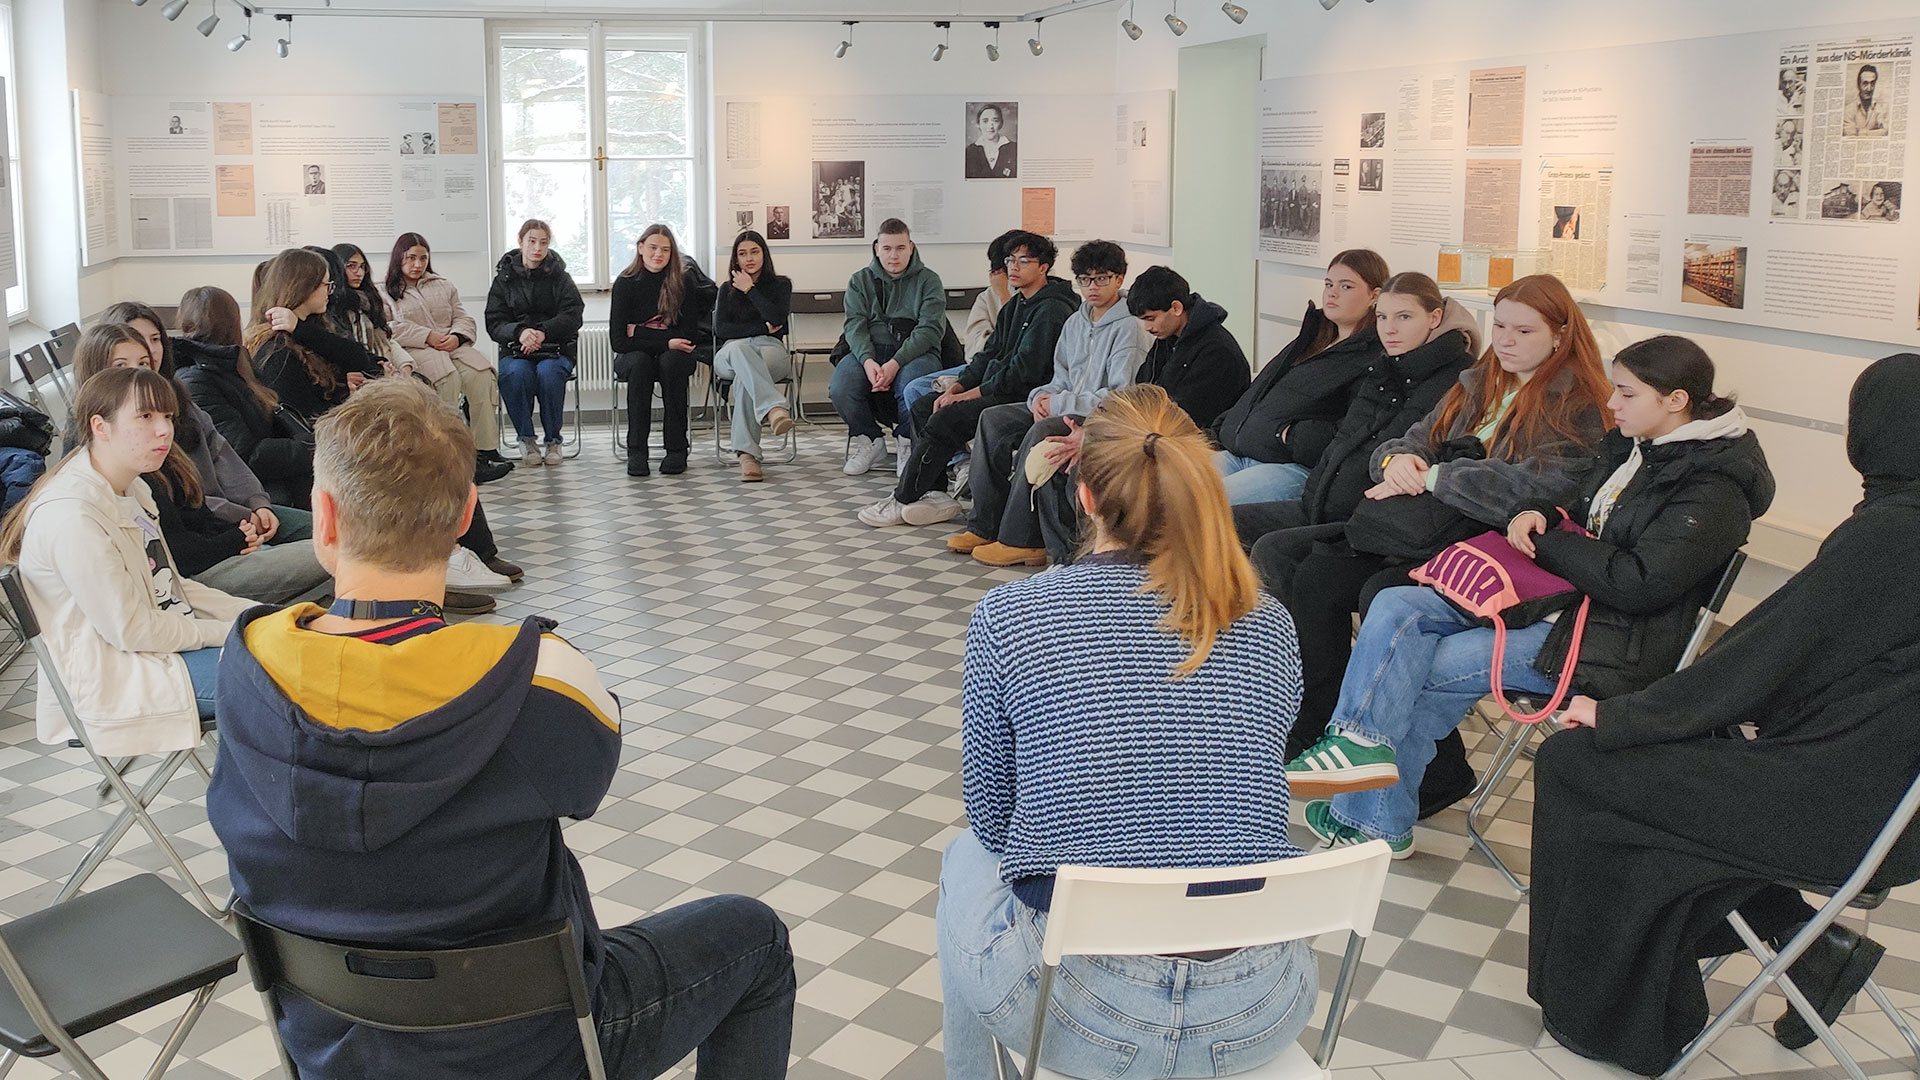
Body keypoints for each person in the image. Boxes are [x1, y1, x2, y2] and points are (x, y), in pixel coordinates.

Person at [207, 378, 796, 1080]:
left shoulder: (245, 666)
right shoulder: (537, 676)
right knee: (754, 936)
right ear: (465, 514)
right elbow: (586, 781)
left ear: (325, 519)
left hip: (336, 1046)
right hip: (530, 1050)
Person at [1528, 353, 1920, 1075]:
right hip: (1885, 806)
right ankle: (1811, 948)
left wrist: (1621, 718)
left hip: (1832, 805)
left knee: (1577, 765)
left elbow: (1760, 658)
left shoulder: (1893, 533)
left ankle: (1606, 1016)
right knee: (1662, 772)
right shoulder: (1898, 524)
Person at [938, 384, 1317, 1080]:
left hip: (1082, 1007)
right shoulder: (1268, 621)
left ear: (1083, 494)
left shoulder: (1013, 616)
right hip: (1261, 1002)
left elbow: (995, 821)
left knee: (964, 856)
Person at [1285, 335, 1772, 866]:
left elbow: (1638, 584)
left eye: (1627, 395)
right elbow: (1573, 496)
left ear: (1675, 401)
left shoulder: (1713, 488)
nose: (1611, 405)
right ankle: (1358, 742)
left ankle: (1376, 820)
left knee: (1426, 664)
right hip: (1554, 602)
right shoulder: (1638, 449)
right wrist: (1536, 510)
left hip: (1609, 641)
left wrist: (1551, 540)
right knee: (1399, 604)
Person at [1260, 274, 1611, 764]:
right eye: (1502, 326)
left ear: (1560, 334)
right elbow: (1409, 439)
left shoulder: (1578, 404)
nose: (1506, 340)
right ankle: (1322, 718)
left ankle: (1426, 762)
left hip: (1489, 549)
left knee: (1374, 590)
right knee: (1297, 561)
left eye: (1524, 331)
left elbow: (1541, 486)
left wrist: (1436, 478)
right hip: (1420, 526)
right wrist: (1396, 462)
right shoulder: (1480, 381)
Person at [179, 286, 510, 615]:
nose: (328, 289)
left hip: (277, 484)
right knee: (373, 518)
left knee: (429, 449)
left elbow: (350, 363)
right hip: (286, 479)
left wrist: (339, 390)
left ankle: (442, 574)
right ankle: (429, 582)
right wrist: (319, 446)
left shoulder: (245, 362)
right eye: (323, 283)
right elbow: (249, 454)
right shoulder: (249, 361)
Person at [2, 366, 250, 753]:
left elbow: (172, 586)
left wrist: (255, 614)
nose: (164, 430)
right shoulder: (72, 515)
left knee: (290, 648)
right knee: (288, 677)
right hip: (118, 677)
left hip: (154, 651)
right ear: (100, 426)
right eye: (145, 416)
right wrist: (236, 630)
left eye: (167, 416)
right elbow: (132, 630)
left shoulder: (131, 486)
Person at [73, 324, 331, 606]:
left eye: (144, 360)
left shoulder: (167, 423)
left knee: (337, 534)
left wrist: (256, 505)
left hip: (223, 536)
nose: (163, 429)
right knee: (339, 550)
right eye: (121, 365)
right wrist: (237, 536)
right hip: (205, 563)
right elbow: (173, 566)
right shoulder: (117, 468)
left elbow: (219, 470)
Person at [1025, 265, 1253, 564]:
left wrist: (1104, 440)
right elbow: (1138, 396)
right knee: (1060, 461)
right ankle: (1063, 560)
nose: (1147, 328)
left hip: (1184, 445)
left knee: (1086, 473)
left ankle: (1090, 560)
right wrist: (1097, 431)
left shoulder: (1215, 352)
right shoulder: (1167, 341)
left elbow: (1181, 421)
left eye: (1151, 319)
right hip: (1150, 434)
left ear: (1176, 308)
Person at [946, 239, 1145, 566]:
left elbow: (1118, 393)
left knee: (1042, 432)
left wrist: (1055, 403)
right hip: (1060, 405)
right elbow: (1059, 376)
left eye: (1101, 279)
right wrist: (1041, 397)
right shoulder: (1075, 322)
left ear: (1120, 279)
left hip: (1098, 417)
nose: (1091, 287)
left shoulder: (1129, 327)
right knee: (993, 420)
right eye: (1084, 279)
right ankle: (984, 525)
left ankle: (1019, 538)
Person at [858, 231, 1074, 528]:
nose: (1013, 267)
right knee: (923, 406)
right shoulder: (1016, 304)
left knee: (947, 415)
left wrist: (965, 396)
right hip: (1000, 386)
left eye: (1024, 261)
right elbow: (987, 356)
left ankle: (903, 497)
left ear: (1044, 267)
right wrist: (959, 385)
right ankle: (935, 495)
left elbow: (1024, 372)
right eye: (1010, 260)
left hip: (1027, 395)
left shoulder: (1051, 309)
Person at [105, 301, 313, 547]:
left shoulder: (179, 394)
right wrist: (243, 519)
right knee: (324, 552)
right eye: (139, 341)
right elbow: (186, 500)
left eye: (155, 339)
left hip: (237, 514)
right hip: (210, 529)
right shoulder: (124, 425)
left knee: (325, 531)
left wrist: (257, 503)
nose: (151, 351)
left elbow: (222, 453)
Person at [1211, 250, 1389, 506]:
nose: (1332, 293)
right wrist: (1225, 426)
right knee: (1164, 486)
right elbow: (1260, 391)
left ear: (1375, 295)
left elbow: (1351, 430)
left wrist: (1290, 435)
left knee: (1205, 505)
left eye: (1346, 286)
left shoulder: (1372, 357)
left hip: (1291, 466)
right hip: (1240, 451)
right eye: (1328, 284)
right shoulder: (1312, 339)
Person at [380, 231, 510, 483]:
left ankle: (483, 452)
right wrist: (426, 335)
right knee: (448, 380)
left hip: (451, 347)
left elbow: (463, 317)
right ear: (399, 258)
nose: (418, 264)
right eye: (411, 258)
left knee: (481, 375)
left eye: (423, 258)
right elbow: (388, 328)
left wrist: (457, 336)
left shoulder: (443, 285)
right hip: (417, 350)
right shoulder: (384, 291)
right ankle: (449, 455)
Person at [830, 219, 951, 475]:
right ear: (877, 249)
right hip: (871, 350)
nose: (893, 255)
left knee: (912, 385)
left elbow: (929, 329)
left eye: (899, 248)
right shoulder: (859, 280)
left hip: (915, 352)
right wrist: (867, 361)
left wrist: (895, 363)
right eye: (887, 248)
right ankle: (870, 440)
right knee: (841, 386)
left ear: (911, 247)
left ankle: (907, 442)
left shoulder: (929, 280)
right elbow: (854, 326)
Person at [176, 286, 314, 509]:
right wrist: (311, 451)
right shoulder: (197, 380)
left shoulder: (234, 363)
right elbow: (246, 455)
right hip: (257, 496)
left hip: (277, 482)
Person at [609, 224, 717, 477]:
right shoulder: (625, 283)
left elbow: (689, 334)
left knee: (672, 364)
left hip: (674, 354)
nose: (659, 254)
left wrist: (638, 331)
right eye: (653, 247)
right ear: (640, 248)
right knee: (639, 364)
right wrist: (665, 340)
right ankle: (636, 450)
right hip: (635, 356)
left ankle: (676, 449)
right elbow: (619, 342)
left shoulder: (683, 281)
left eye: (666, 250)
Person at [246, 248, 384, 424]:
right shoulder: (277, 352)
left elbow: (357, 358)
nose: (330, 291)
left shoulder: (311, 326)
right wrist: (349, 402)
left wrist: (299, 328)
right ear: (304, 287)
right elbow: (305, 418)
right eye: (325, 285)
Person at [487, 218, 585, 466]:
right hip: (515, 350)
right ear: (520, 242)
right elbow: (494, 321)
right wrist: (520, 333)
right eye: (532, 241)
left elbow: (573, 314)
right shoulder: (504, 278)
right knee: (515, 374)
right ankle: (526, 439)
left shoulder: (561, 277)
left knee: (549, 373)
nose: (537, 248)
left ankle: (554, 441)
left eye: (543, 242)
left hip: (556, 349)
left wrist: (543, 332)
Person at [712, 229, 794, 483]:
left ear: (764, 254)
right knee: (740, 351)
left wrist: (750, 289)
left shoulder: (781, 284)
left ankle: (747, 455)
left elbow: (777, 319)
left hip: (770, 350)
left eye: (754, 252)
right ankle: (774, 407)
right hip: (731, 351)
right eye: (742, 253)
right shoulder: (726, 289)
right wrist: (759, 327)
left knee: (746, 377)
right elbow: (721, 330)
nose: (749, 259)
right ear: (735, 259)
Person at [964, 231, 1019, 360]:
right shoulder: (987, 297)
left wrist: (1004, 296)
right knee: (921, 381)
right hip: (984, 365)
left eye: (1024, 261)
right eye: (1011, 261)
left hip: (1010, 369)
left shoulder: (1044, 297)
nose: (1017, 267)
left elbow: (1021, 344)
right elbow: (973, 349)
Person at [964, 103, 1017, 179]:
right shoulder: (969, 151)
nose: (990, 126)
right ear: (978, 124)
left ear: (1001, 123)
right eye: (985, 121)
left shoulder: (1014, 149)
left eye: (995, 120)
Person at [1843, 64, 1887, 136]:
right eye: (1865, 83)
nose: (1869, 89)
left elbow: (1885, 131)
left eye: (1872, 83)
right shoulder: (1848, 110)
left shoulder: (1880, 108)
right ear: (1858, 85)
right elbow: (1850, 135)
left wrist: (1862, 133)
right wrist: (1874, 133)